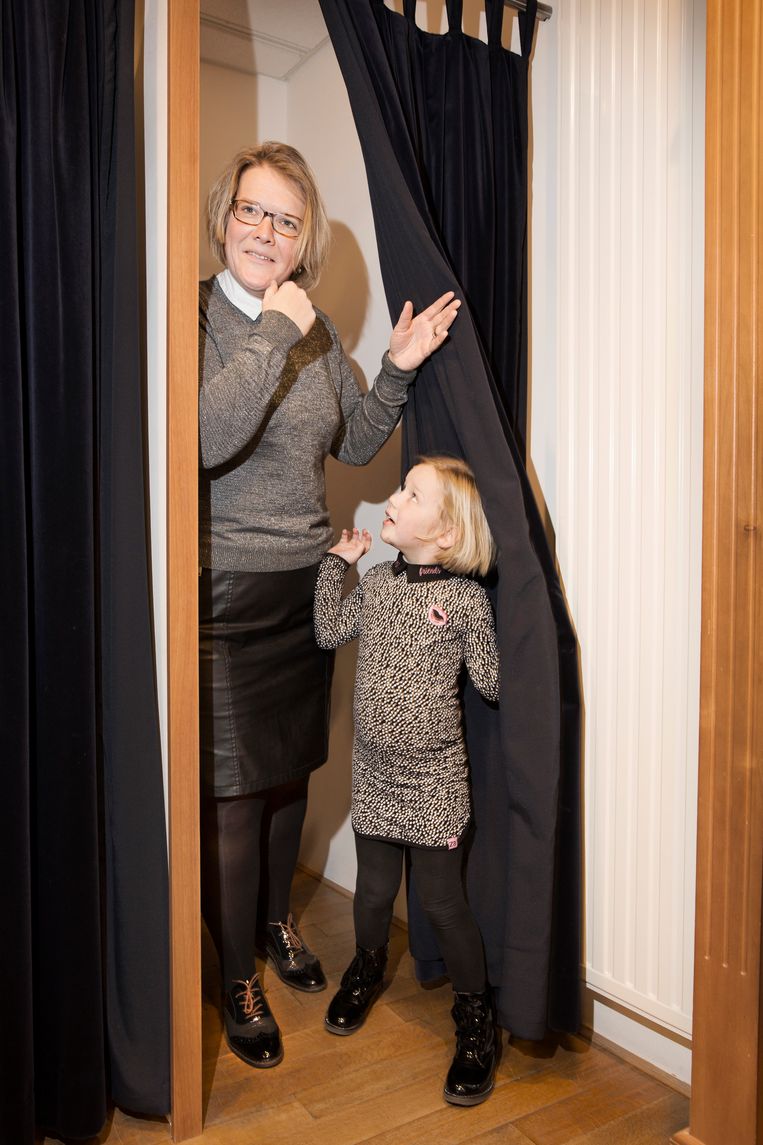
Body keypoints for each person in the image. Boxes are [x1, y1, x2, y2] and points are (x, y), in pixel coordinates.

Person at [198, 141, 460, 1070]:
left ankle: (272, 926)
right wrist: (273, 327)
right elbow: (202, 437)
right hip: (222, 592)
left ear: (301, 237)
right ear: (223, 216)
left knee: (286, 779)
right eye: (251, 210)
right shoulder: (196, 316)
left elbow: (352, 439)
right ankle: (232, 976)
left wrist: (390, 365)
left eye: (285, 217)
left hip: (305, 581)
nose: (265, 231)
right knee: (231, 794)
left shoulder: (314, 333)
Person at [313, 456, 500, 1106]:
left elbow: (493, 682)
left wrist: (522, 641)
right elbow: (327, 630)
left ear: (445, 532)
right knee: (371, 896)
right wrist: (336, 565)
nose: (392, 498)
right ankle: (365, 969)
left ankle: (475, 1019)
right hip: (374, 776)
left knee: (442, 906)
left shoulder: (466, 601)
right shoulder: (375, 584)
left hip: (433, 783)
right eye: (400, 487)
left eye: (409, 493)